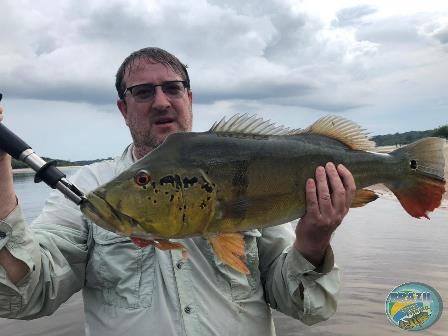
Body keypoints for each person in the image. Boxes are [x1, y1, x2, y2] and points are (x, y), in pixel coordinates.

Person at [0, 47, 356, 335]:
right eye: (142, 92)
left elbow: (306, 308)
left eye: (172, 88)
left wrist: (313, 242)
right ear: (123, 110)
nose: (161, 102)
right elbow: (26, 295)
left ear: (189, 97)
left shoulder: (241, 165)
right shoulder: (92, 189)